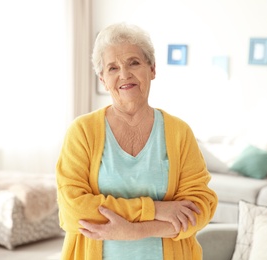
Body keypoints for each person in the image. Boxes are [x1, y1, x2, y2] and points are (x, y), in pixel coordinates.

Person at [56, 22, 218, 260]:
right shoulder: (82, 131)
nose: (124, 74)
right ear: (102, 79)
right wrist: (156, 210)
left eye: (134, 62)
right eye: (113, 68)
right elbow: (73, 210)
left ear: (152, 69)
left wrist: (135, 231)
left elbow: (199, 207)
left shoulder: (179, 132)